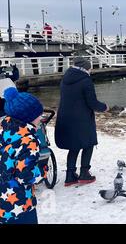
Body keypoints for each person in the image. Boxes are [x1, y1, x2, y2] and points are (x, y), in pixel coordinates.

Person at [55, 56, 108, 187]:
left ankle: (70, 176)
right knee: (88, 143)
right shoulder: (85, 81)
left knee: (74, 146)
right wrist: (104, 107)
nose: (90, 71)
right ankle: (84, 173)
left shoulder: (65, 79)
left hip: (65, 117)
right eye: (90, 68)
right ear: (85, 68)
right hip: (81, 118)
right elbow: (92, 102)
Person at [0, 87, 47, 224]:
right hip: (19, 205)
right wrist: (42, 172)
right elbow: (26, 176)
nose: (41, 117)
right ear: (29, 118)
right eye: (39, 114)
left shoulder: (6, 133)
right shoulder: (28, 141)